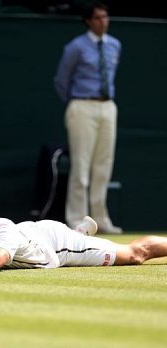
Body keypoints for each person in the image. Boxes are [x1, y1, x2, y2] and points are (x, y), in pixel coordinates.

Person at [0, 178, 167, 272]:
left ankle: (77, 235)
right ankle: (80, 230)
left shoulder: (0, 228)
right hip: (31, 233)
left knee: (135, 254)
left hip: (57, 245)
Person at [54, 1, 122, 234]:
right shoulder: (76, 47)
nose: (103, 21)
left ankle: (101, 219)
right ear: (88, 21)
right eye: (98, 17)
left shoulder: (114, 45)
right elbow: (61, 80)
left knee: (103, 165)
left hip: (108, 106)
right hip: (82, 106)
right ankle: (76, 220)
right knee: (81, 166)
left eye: (106, 16)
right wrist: (76, 102)